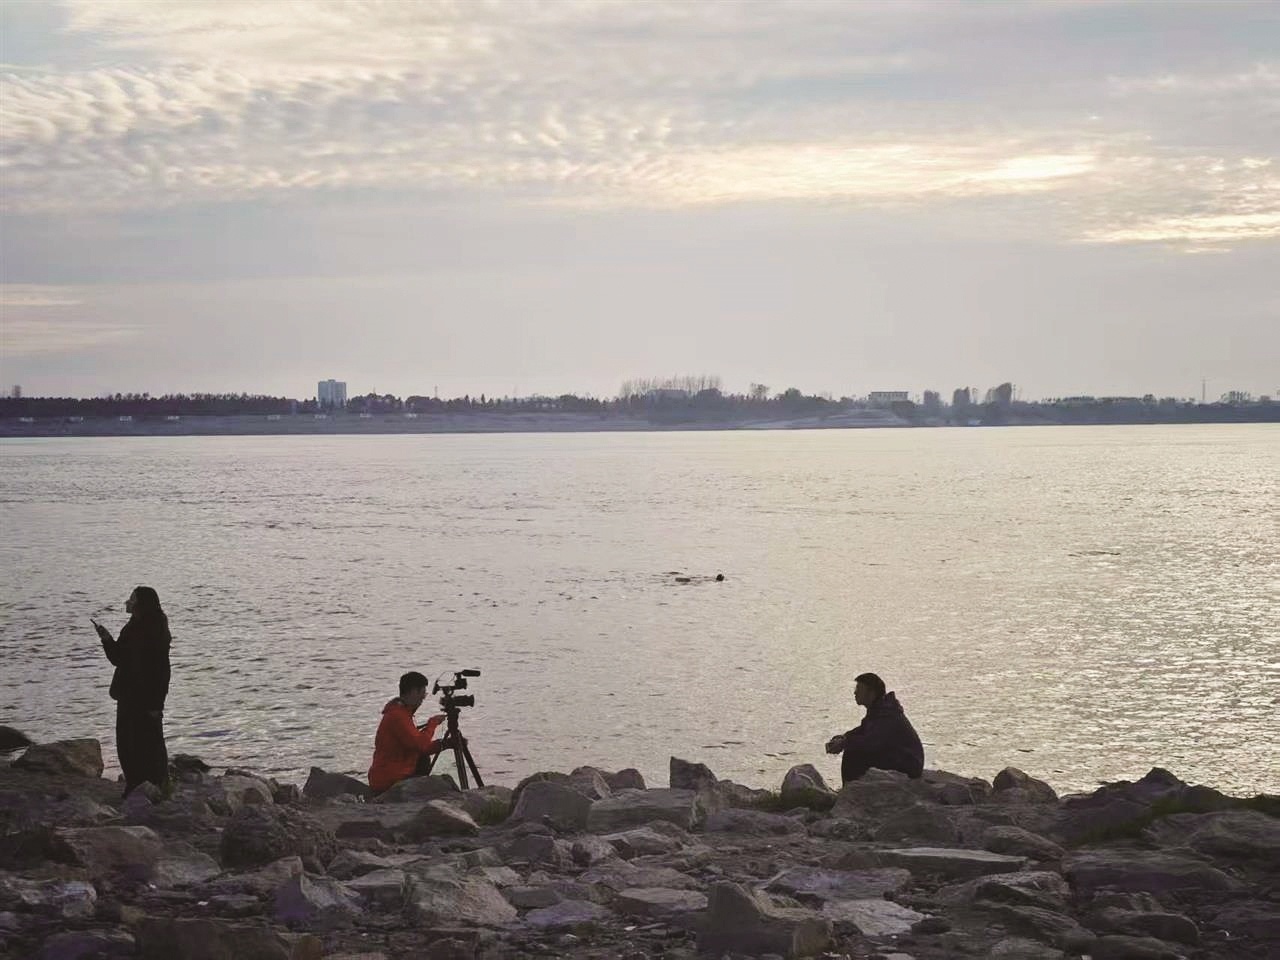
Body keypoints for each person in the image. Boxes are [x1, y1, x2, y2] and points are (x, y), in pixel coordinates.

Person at [92, 586, 172, 796]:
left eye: (132, 599)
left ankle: (157, 785)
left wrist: (157, 703)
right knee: (126, 743)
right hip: (127, 694)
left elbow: (161, 670)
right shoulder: (132, 627)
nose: (128, 603)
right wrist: (106, 639)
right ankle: (135, 784)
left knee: (150, 743)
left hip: (147, 697)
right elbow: (119, 658)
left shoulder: (156, 629)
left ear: (142, 604)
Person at [825, 672, 924, 783]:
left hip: (909, 765)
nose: (855, 692)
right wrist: (843, 738)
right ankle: (853, 788)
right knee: (853, 748)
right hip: (900, 758)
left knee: (853, 752)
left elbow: (871, 741)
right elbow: (862, 731)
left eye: (859, 689)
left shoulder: (887, 714)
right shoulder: (880, 710)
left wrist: (844, 743)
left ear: (871, 693)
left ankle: (852, 789)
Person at [368, 671, 450, 794]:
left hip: (393, 776)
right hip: (390, 780)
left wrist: (445, 744)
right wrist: (432, 723)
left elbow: (420, 748)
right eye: (422, 694)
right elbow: (420, 745)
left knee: (423, 759)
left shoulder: (401, 713)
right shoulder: (397, 715)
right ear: (413, 691)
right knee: (443, 785)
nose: (422, 699)